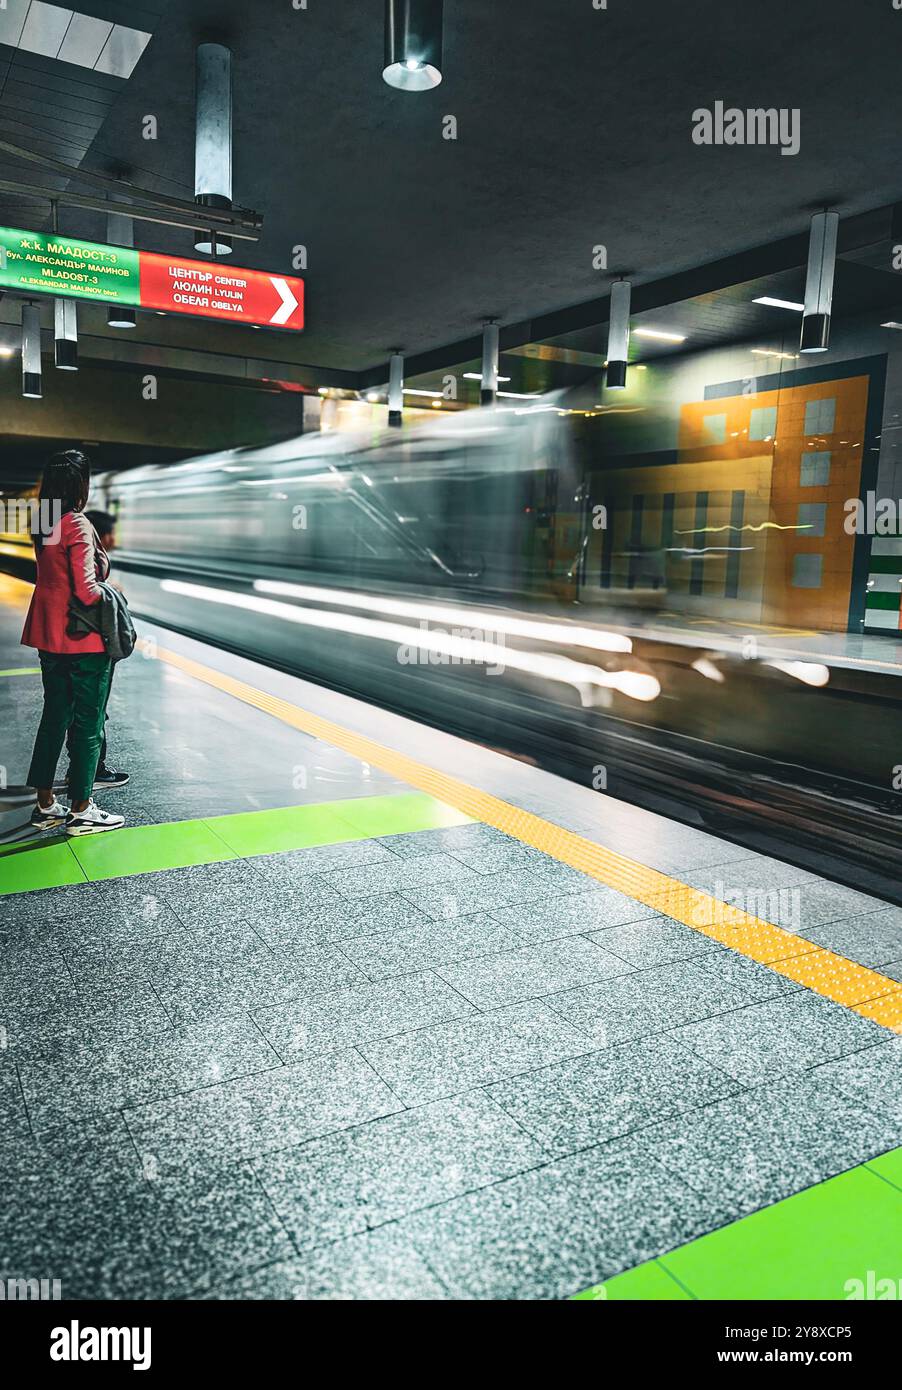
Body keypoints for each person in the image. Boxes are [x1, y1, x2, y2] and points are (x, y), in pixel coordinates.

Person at [22, 450, 125, 836]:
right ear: (80, 485)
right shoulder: (77, 524)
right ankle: (82, 809)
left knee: (54, 717)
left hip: (48, 636)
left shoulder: (44, 521)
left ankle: (45, 803)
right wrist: (109, 590)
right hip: (81, 638)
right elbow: (84, 590)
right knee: (87, 721)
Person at [63, 508, 129, 792]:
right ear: (102, 535)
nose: (116, 538)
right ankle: (89, 775)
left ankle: (79, 770)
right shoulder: (90, 552)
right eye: (112, 532)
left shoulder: (64, 540)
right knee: (93, 711)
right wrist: (110, 589)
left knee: (81, 711)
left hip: (74, 640)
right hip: (91, 640)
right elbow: (87, 592)